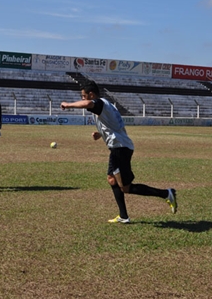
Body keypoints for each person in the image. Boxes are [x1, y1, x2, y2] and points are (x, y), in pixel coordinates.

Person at [61, 81, 177, 223]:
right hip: (119, 147)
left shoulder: (100, 103)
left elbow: (87, 104)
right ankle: (123, 216)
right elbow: (113, 125)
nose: (83, 98)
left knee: (126, 188)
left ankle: (166, 193)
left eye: (84, 96)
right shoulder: (106, 105)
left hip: (120, 148)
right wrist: (100, 134)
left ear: (91, 95)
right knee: (111, 179)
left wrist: (68, 104)